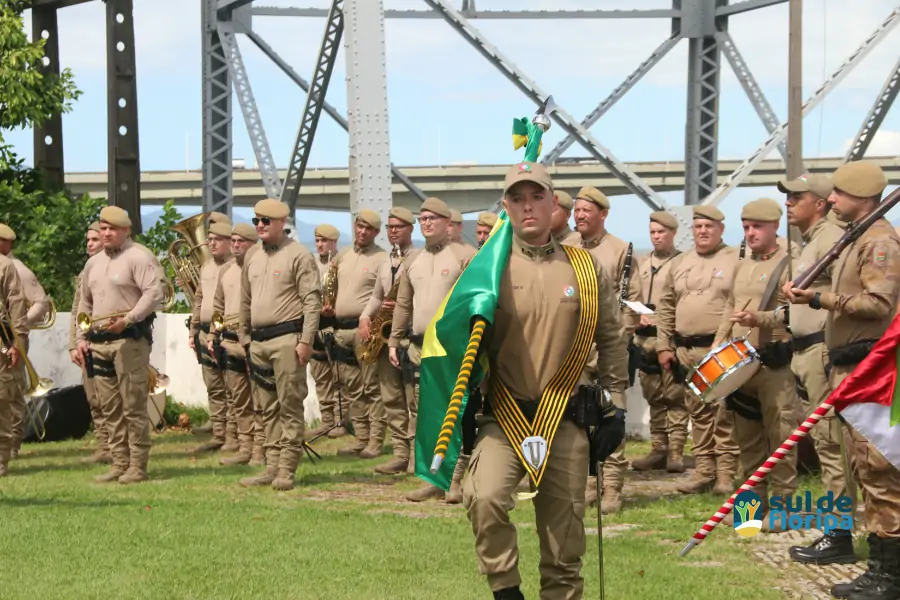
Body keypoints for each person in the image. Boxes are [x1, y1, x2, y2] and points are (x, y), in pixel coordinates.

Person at [461, 162, 628, 599]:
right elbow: (456, 340)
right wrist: (456, 402)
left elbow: (611, 338)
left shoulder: (585, 269)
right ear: (506, 207)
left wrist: (618, 405)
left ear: (555, 204)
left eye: (537, 197)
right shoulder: (485, 269)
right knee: (484, 498)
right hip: (503, 417)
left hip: (566, 418)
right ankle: (506, 590)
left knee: (564, 542)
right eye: (518, 199)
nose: (528, 207)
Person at [783, 161, 900, 599]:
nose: (830, 199)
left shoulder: (880, 241)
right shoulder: (858, 238)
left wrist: (819, 297)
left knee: (879, 470)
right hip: (851, 368)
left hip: (872, 372)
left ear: (863, 196)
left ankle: (888, 577)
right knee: (866, 470)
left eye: (838, 193)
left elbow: (877, 303)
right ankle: (883, 568)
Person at [778, 173, 856, 564]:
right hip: (805, 352)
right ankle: (836, 528)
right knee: (826, 443)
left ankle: (839, 534)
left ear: (821, 203)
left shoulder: (832, 240)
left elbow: (851, 295)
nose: (789, 203)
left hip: (822, 352)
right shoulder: (811, 242)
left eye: (797, 197)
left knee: (830, 444)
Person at [712, 198, 801, 527]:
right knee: (746, 439)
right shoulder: (743, 263)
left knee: (781, 436)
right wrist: (716, 346)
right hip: (738, 364)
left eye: (757, 227)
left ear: (775, 227)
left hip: (774, 363)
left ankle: (782, 508)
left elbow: (796, 314)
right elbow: (730, 309)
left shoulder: (791, 263)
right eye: (746, 227)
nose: (750, 233)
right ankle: (750, 508)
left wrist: (758, 318)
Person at [389, 197, 476, 501]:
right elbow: (403, 303)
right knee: (427, 414)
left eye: (432, 218)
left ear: (447, 223)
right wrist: (393, 338)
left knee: (457, 412)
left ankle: (454, 479)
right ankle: (433, 478)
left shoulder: (465, 256)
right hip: (418, 347)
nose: (426, 223)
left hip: (453, 347)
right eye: (422, 218)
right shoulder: (414, 260)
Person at [565, 186, 642, 513]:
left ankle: (612, 488)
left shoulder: (621, 249)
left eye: (586, 210)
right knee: (578, 421)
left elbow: (633, 303)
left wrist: (619, 342)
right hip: (573, 350)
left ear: (603, 214)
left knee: (611, 415)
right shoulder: (564, 247)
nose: (579, 215)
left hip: (608, 348)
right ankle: (585, 485)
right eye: (577, 210)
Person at [74, 206, 164, 484]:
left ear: (126, 230)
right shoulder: (93, 263)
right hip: (100, 341)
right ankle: (118, 462)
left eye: (112, 229)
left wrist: (128, 319)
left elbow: (154, 293)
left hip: (129, 341)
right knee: (109, 405)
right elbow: (84, 302)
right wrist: (80, 336)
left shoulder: (138, 257)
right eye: (103, 228)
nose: (107, 233)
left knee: (133, 404)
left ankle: (137, 465)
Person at [655, 205, 740, 495]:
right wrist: (664, 345)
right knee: (698, 414)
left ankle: (726, 474)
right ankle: (704, 471)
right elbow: (666, 305)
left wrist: (723, 342)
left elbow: (740, 303)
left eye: (709, 226)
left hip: (719, 350)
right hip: (685, 350)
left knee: (724, 414)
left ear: (721, 229)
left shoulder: (736, 259)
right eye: (698, 226)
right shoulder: (680, 263)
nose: (703, 231)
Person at [238, 199, 322, 491]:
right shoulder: (252, 256)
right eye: (256, 221)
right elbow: (245, 300)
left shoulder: (298, 255)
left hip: (288, 340)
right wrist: (244, 338)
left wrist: (306, 341)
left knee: (289, 405)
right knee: (266, 408)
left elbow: (312, 302)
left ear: (281, 223)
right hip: (258, 342)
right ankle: (271, 465)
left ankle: (286, 468)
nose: (259, 225)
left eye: (265, 221)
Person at [630, 211, 689, 473]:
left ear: (673, 233)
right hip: (644, 339)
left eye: (661, 232)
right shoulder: (641, 263)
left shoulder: (681, 263)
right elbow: (630, 293)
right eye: (653, 232)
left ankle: (676, 451)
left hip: (669, 338)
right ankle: (658, 448)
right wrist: (636, 314)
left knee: (675, 396)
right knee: (653, 396)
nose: (656, 237)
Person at [360, 207, 417, 474]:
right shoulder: (386, 261)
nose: (393, 231)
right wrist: (365, 317)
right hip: (384, 338)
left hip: (408, 336)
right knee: (391, 398)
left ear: (411, 229)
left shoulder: (419, 258)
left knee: (413, 400)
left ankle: (417, 455)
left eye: (399, 226)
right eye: (390, 227)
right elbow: (376, 295)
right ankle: (399, 453)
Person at [328, 210, 388, 458]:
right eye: (360, 226)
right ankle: (360, 437)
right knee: (352, 387)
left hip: (366, 331)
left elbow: (385, 296)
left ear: (376, 233)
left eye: (369, 229)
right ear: (355, 226)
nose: (363, 232)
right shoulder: (342, 256)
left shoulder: (382, 258)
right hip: (341, 329)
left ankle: (375, 440)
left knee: (372, 387)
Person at [210, 223, 262, 466]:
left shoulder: (260, 267)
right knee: (239, 399)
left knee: (260, 399)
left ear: (253, 243)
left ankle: (261, 450)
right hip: (229, 341)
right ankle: (245, 447)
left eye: (241, 240)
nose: (236, 245)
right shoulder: (227, 270)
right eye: (233, 240)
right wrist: (213, 335)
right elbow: (218, 306)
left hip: (254, 341)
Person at [0, 224, 50, 458]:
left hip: (11, 340)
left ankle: (11, 445)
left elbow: (41, 302)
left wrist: (17, 327)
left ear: (5, 243)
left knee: (10, 393)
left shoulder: (17, 269)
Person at [189, 220, 235, 453]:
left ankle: (234, 435)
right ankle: (219, 433)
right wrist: (194, 330)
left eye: (217, 239)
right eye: (210, 239)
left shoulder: (237, 267)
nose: (211, 243)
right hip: (205, 331)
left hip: (226, 332)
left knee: (232, 386)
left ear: (229, 242)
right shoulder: (206, 266)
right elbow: (199, 299)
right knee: (214, 386)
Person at [69, 222, 111, 464]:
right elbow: (77, 310)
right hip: (88, 340)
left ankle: (117, 446)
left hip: (109, 339)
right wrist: (74, 343)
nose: (90, 245)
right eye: (88, 241)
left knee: (111, 398)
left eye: (94, 240)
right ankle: (104, 445)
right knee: (93, 397)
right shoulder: (87, 271)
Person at [306, 224, 348, 439]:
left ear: (333, 242)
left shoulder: (341, 262)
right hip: (315, 327)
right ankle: (327, 420)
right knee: (321, 376)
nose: (320, 245)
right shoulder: (311, 263)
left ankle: (342, 420)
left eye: (324, 241)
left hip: (334, 325)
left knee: (339, 376)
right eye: (317, 240)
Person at [0, 250, 27, 477]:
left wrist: (16, 342)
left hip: (1, 342)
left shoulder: (5, 266)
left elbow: (16, 303)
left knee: (1, 400)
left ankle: (1, 459)